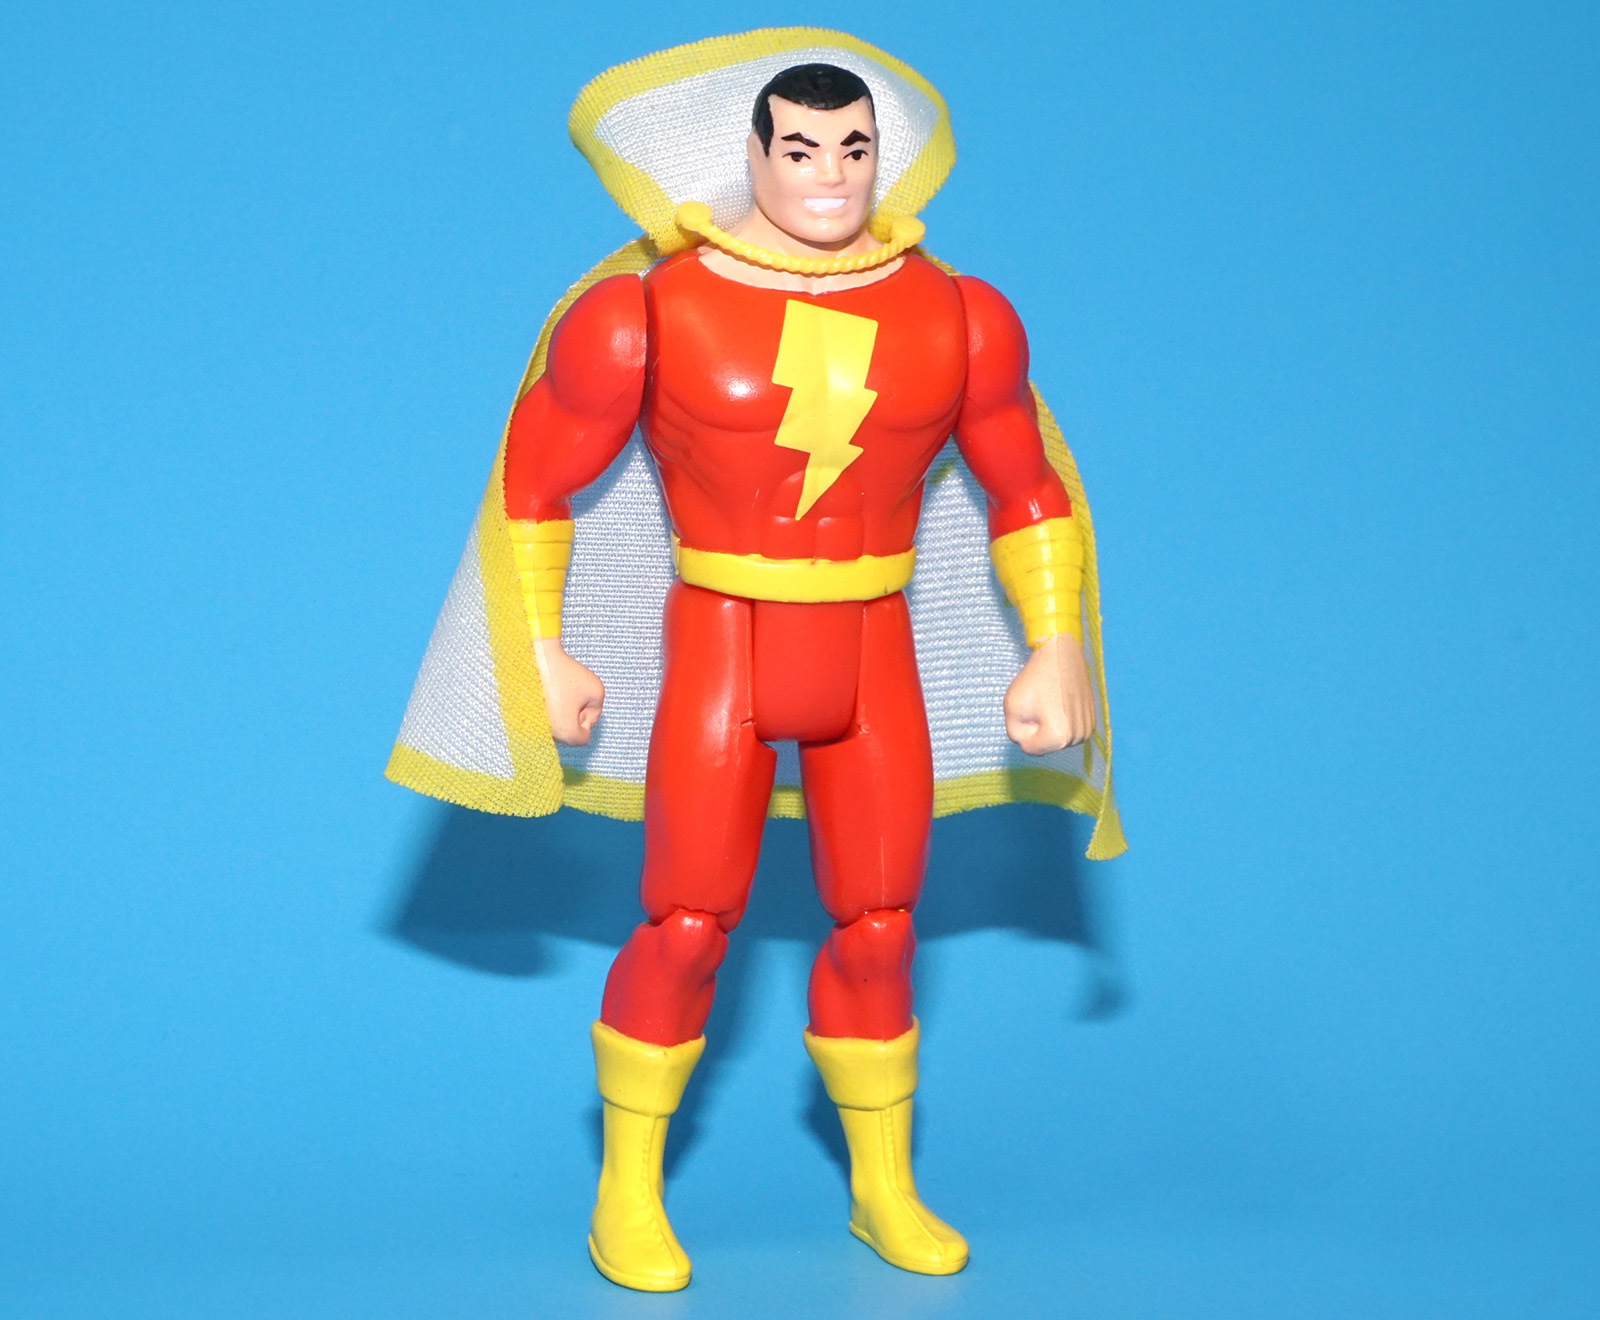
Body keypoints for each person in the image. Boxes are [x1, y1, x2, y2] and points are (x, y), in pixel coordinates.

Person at [498, 61, 1096, 1291]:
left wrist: (1055, 640)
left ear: (883, 157)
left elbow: (1024, 484)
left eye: (852, 149)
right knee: (683, 927)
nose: (829, 175)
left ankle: (882, 1187)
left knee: (880, 929)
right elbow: (535, 477)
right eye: (802, 149)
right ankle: (626, 1192)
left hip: (871, 644)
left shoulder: (959, 315)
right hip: (723, 634)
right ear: (754, 155)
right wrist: (539, 643)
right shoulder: (647, 311)